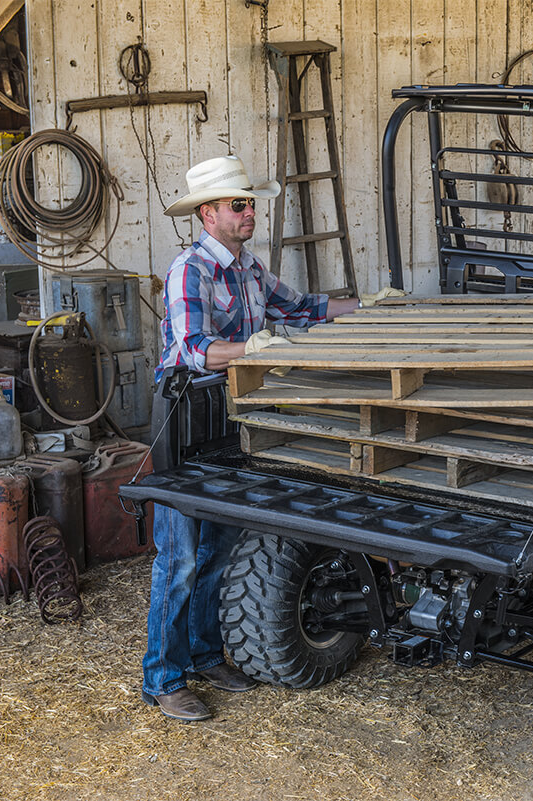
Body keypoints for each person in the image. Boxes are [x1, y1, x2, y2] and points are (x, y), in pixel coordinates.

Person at [143, 154, 369, 722]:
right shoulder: (190, 270)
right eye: (239, 205)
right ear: (208, 213)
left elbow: (303, 308)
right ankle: (163, 678)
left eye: (251, 203)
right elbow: (195, 349)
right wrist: (256, 348)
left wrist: (367, 305)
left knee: (219, 550)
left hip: (235, 412)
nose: (250, 213)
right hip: (186, 414)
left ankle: (205, 655)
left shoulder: (249, 269)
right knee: (180, 559)